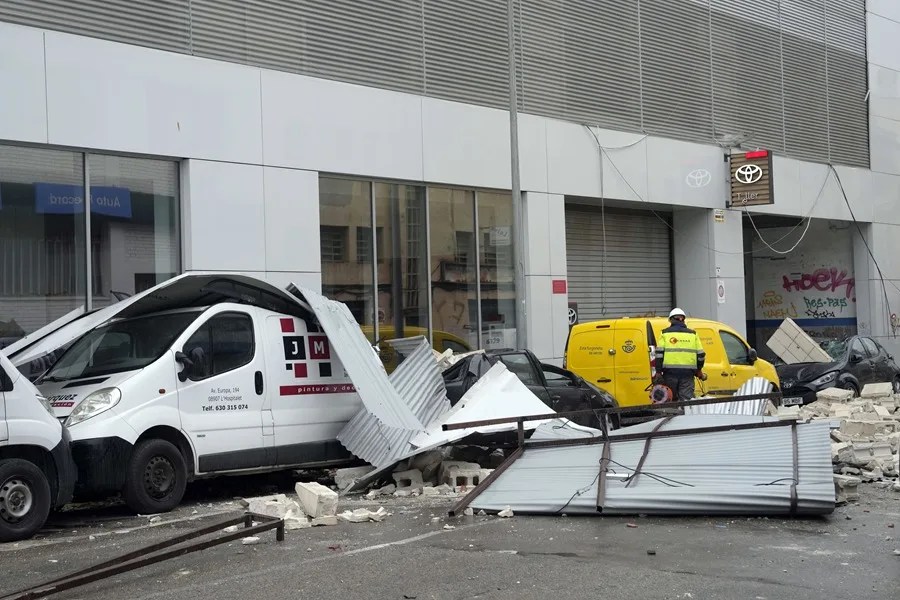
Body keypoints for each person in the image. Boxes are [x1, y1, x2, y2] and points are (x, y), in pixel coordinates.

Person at [655, 308, 706, 402]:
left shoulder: (665, 333)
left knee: (669, 399)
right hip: (688, 375)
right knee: (686, 401)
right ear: (683, 319)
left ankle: (671, 416)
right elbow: (701, 355)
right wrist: (699, 370)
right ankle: (684, 416)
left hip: (669, 374)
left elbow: (659, 355)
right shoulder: (693, 334)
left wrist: (658, 372)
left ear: (671, 320)